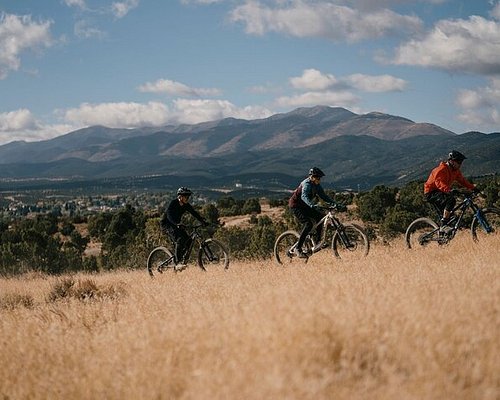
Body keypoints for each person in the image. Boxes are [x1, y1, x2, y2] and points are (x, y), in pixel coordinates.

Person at [288, 167, 345, 258]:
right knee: (308, 224)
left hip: (306, 206)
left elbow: (324, 197)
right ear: (312, 177)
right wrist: (312, 205)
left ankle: (318, 242)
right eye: (318, 178)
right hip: (296, 206)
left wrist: (336, 204)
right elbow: (304, 197)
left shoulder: (317, 185)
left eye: (320, 178)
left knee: (320, 217)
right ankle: (297, 248)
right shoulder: (306, 184)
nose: (319, 180)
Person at [424, 150, 477, 228]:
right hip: (431, 192)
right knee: (451, 200)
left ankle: (445, 228)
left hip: (442, 191)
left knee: (450, 214)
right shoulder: (441, 170)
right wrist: (449, 190)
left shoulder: (455, 171)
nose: (460, 164)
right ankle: (443, 225)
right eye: (458, 162)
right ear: (451, 161)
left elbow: (462, 181)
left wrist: (473, 188)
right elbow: (439, 183)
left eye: (461, 162)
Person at [160, 187, 208, 269]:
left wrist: (202, 221)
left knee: (188, 242)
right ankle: (177, 263)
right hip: (167, 224)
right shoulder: (173, 203)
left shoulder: (186, 205)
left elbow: (194, 213)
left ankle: (181, 259)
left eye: (188, 196)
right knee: (180, 240)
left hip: (176, 224)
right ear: (180, 197)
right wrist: (177, 224)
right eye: (186, 196)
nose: (187, 198)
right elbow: (169, 215)